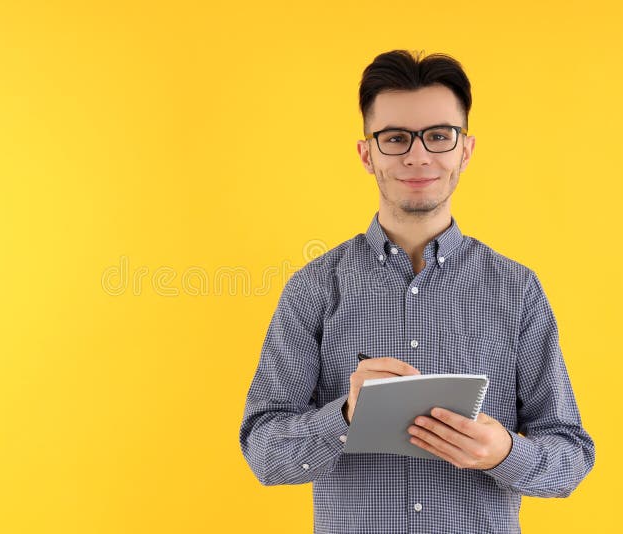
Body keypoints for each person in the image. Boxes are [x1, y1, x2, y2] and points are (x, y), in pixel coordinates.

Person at [239, 50, 595, 534]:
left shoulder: (518, 290)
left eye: (439, 135)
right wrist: (344, 416)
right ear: (367, 153)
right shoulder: (313, 289)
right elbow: (264, 453)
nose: (418, 155)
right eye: (395, 138)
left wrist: (506, 453)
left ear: (465, 150)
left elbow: (571, 456)